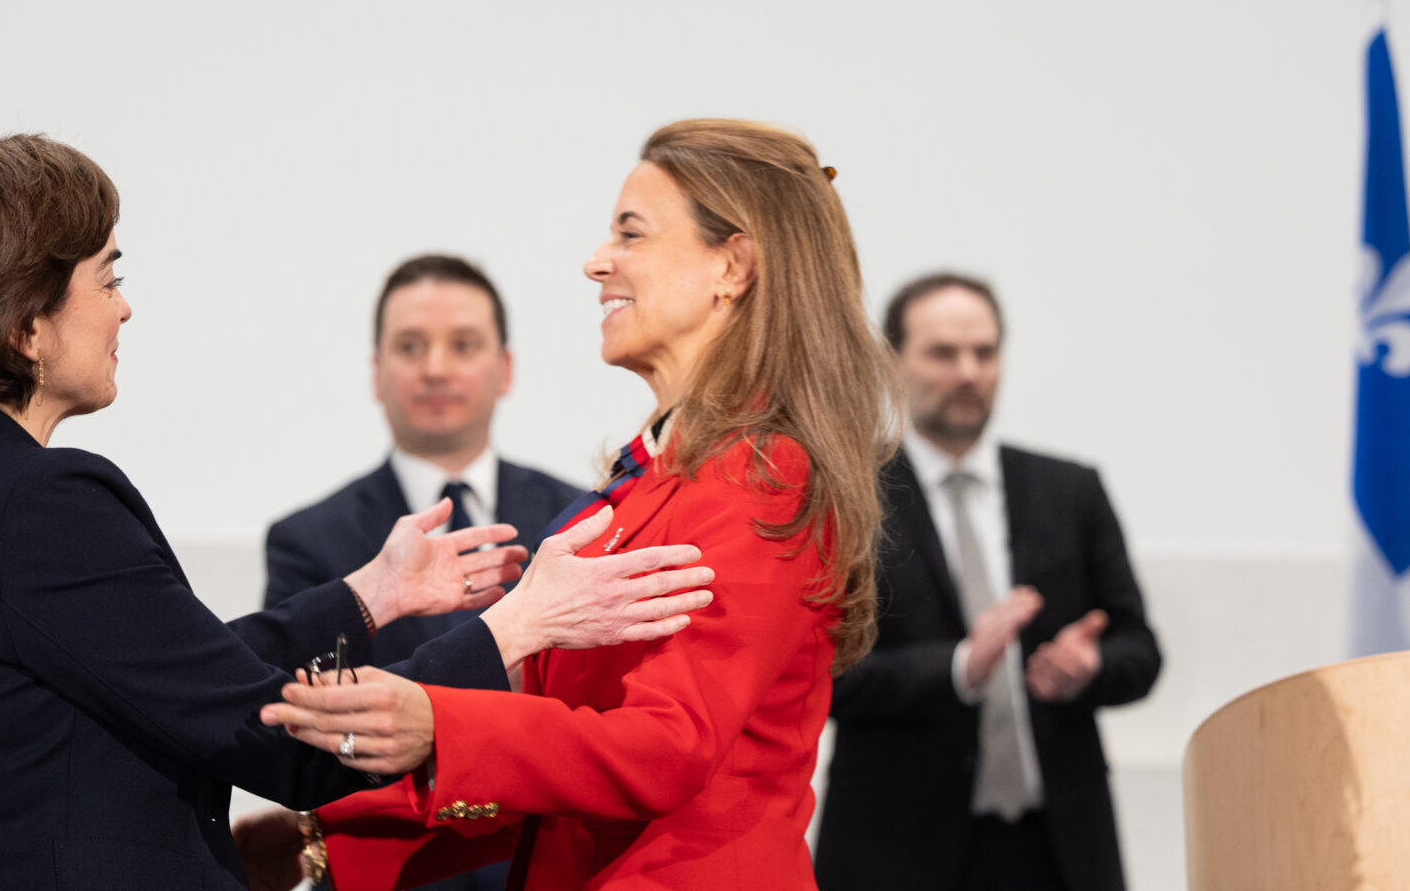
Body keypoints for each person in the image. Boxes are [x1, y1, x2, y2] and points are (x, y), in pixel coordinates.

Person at [0, 135, 717, 891]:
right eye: (106, 277)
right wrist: (514, 625)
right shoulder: (39, 501)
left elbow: (173, 675)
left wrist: (371, 597)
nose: (124, 305)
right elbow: (285, 745)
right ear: (23, 324)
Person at [240, 119, 901, 891]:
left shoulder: (763, 474)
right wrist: (325, 838)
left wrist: (439, 725)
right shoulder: (656, 473)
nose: (597, 263)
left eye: (632, 233)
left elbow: (664, 747)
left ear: (733, 264)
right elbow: (563, 774)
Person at [814, 273, 1163, 891]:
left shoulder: (1070, 491)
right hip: (895, 850)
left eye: (985, 351)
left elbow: (1141, 651)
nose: (968, 372)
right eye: (943, 353)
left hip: (1057, 849)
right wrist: (955, 667)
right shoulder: (850, 496)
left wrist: (1091, 668)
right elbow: (821, 676)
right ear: (893, 360)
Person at [264, 254, 581, 667]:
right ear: (377, 373)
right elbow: (300, 700)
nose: (435, 369)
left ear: (505, 370)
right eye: (410, 347)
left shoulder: (575, 520)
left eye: (463, 345)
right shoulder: (307, 542)